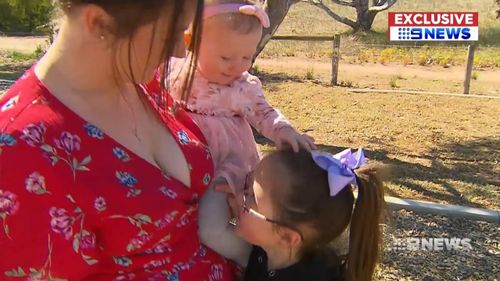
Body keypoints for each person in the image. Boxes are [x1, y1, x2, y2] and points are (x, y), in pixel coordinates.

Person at [0, 0, 236, 280]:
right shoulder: (21, 150)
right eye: (169, 35)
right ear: (98, 22)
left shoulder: (140, 80)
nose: (180, 51)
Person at [167, 0, 315, 267]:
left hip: (222, 164)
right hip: (178, 155)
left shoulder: (243, 87)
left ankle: (249, 261)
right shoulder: (175, 71)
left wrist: (284, 130)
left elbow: (264, 113)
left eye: (247, 57)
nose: (237, 66)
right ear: (193, 41)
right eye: (226, 57)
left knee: (210, 228)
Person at [231, 148, 387, 281]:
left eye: (250, 197)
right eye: (247, 182)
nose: (238, 195)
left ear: (287, 237)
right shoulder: (266, 252)